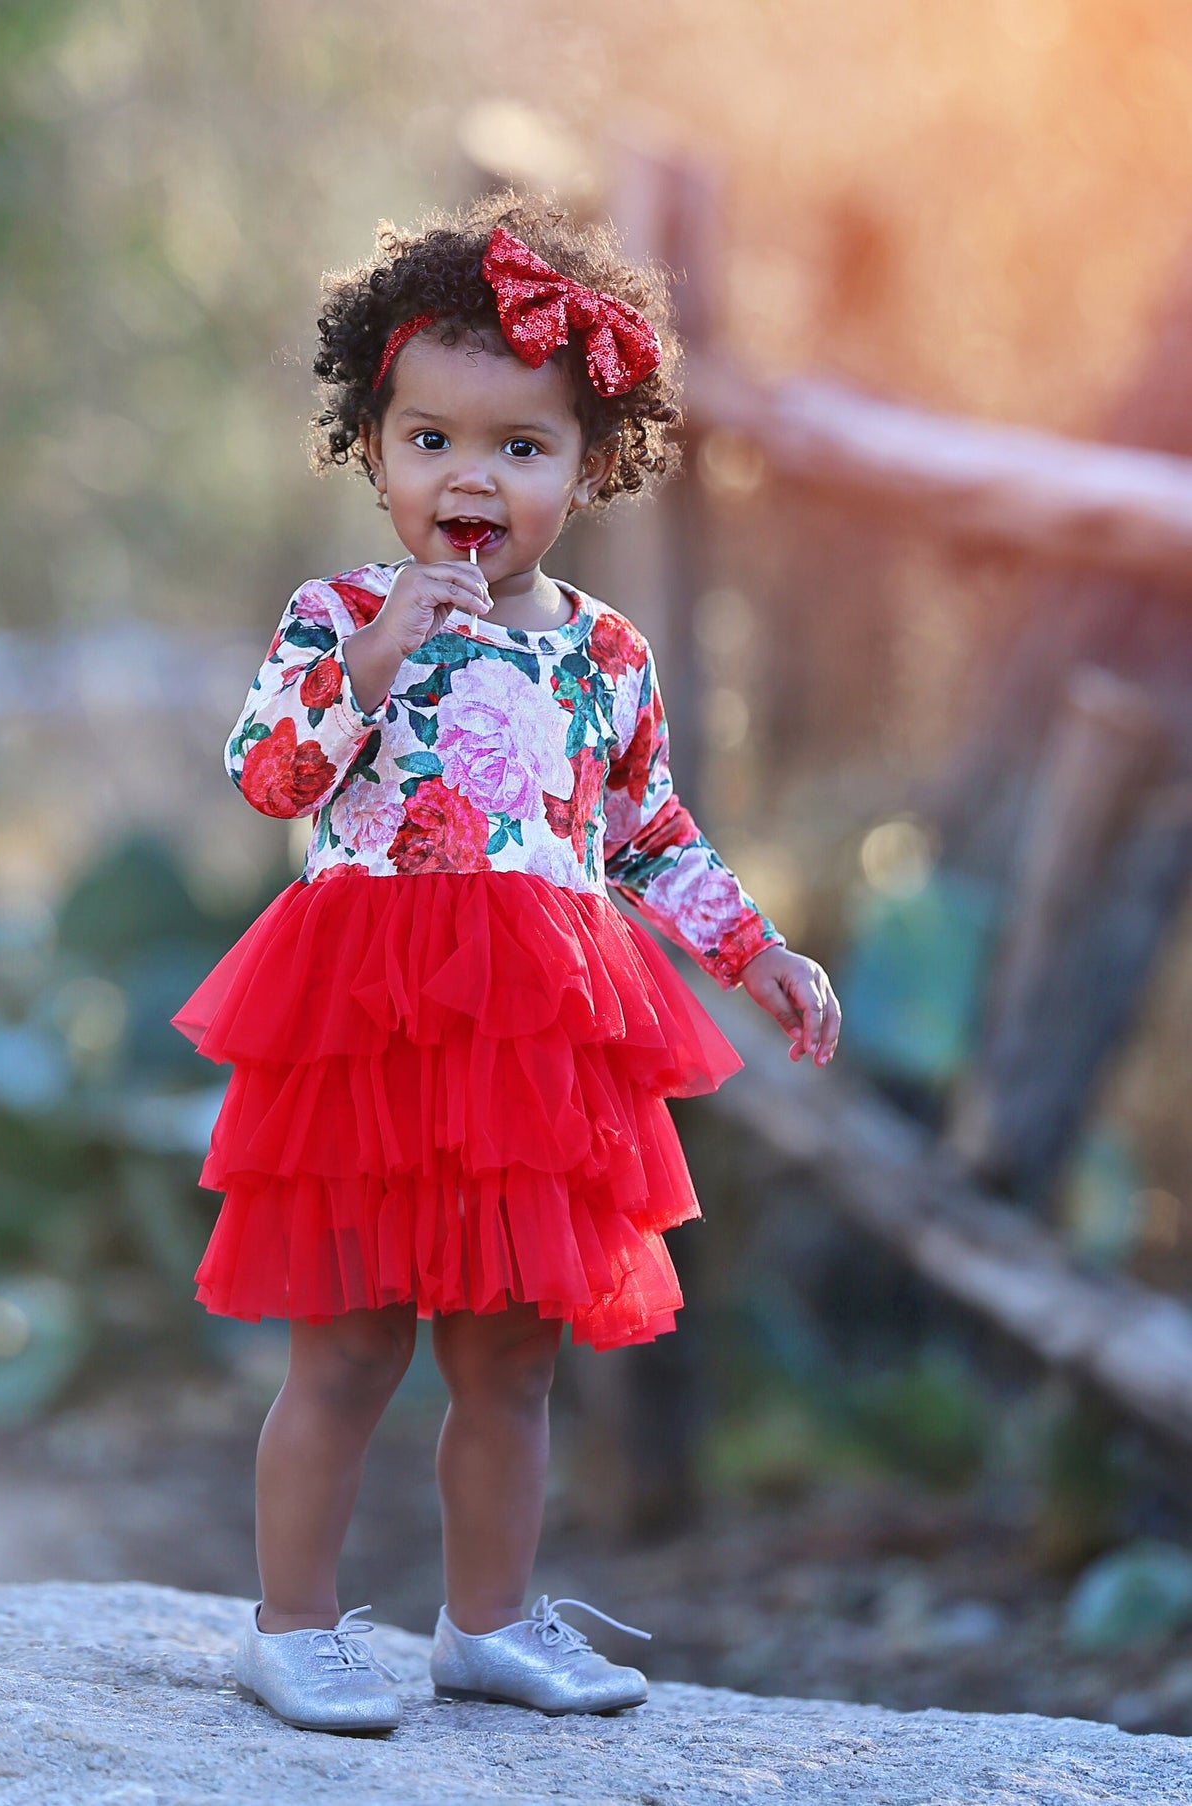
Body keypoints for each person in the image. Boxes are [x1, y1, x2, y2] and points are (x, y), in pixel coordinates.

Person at [171, 191, 841, 1735]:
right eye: (430, 441)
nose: (470, 477)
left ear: (588, 467)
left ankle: (484, 1622)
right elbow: (268, 779)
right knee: (344, 1344)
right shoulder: (334, 616)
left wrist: (757, 951)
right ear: (372, 450)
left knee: (512, 1354)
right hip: (368, 1026)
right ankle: (292, 1625)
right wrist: (368, 666)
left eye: (520, 448)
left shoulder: (603, 652)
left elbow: (647, 829)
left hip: (534, 1036)